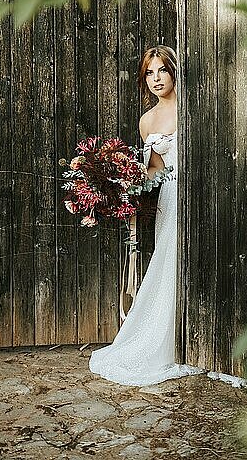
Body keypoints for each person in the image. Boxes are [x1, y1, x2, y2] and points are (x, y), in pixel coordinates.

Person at [88, 45, 205, 386]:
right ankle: (163, 342)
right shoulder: (147, 120)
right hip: (171, 195)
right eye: (149, 73)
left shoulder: (192, 107)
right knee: (168, 265)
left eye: (162, 71)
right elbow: (156, 170)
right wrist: (125, 180)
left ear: (174, 72)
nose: (156, 79)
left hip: (198, 192)